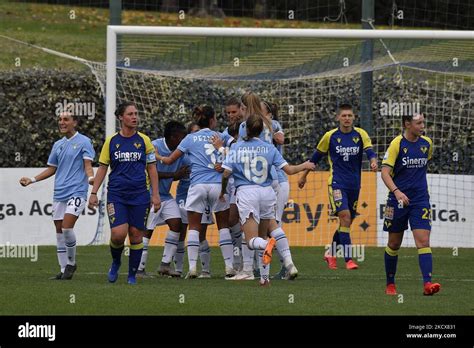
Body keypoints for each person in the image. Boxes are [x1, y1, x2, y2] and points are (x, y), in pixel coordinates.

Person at [220, 113, 315, 286]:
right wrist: (305, 165)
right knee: (264, 233)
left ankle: (267, 245)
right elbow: (290, 170)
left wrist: (222, 189)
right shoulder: (269, 148)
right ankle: (264, 279)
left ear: (246, 129)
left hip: (247, 192)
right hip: (267, 192)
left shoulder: (237, 148)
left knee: (251, 241)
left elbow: (226, 173)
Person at [156, 105, 235, 279]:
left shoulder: (190, 139)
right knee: (223, 227)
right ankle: (229, 267)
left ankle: (192, 268)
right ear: (212, 119)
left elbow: (169, 160)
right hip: (217, 185)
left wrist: (159, 157)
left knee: (193, 227)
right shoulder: (221, 136)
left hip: (197, 186)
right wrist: (222, 150)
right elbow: (239, 150)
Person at [88, 102, 160, 285]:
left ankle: (132, 275)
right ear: (121, 117)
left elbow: (152, 169)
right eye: (130, 114)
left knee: (136, 234)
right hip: (116, 195)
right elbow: (103, 168)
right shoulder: (111, 142)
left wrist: (156, 194)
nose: (134, 117)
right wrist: (94, 192)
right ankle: (116, 261)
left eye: (136, 113)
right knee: (119, 234)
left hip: (140, 195)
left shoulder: (144, 140)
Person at [298, 103, 378, 270]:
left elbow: (370, 151)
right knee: (345, 217)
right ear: (338, 118)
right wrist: (304, 175)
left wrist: (373, 161)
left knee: (345, 222)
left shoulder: (361, 134)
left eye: (349, 116)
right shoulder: (330, 136)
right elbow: (315, 158)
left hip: (355, 185)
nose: (347, 119)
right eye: (344, 116)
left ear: (354, 117)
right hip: (336, 183)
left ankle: (330, 254)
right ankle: (349, 259)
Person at [20, 112, 95, 280]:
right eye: (60, 119)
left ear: (74, 122)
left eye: (66, 119)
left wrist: (91, 178)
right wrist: (31, 180)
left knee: (67, 227)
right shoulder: (57, 145)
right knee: (59, 231)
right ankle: (63, 270)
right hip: (59, 192)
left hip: (77, 191)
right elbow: (52, 168)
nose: (62, 122)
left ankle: (71, 263)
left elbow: (88, 165)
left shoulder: (84, 141)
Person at [234, 91, 299, 281]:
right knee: (271, 225)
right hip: (273, 180)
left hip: (253, 181)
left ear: (244, 108)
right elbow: (279, 142)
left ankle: (248, 269)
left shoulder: (246, 126)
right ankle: (284, 265)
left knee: (251, 229)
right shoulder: (271, 123)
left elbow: (240, 152)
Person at [381, 113, 441, 296]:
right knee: (394, 243)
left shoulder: (427, 144)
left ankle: (427, 284)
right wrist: (397, 192)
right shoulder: (396, 144)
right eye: (419, 123)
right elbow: (384, 172)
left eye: (423, 122)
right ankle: (390, 284)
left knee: (423, 241)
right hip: (397, 201)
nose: (423, 126)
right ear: (407, 124)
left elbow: (422, 167)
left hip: (420, 200)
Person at [137, 121, 188, 278]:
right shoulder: (154, 146)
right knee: (147, 230)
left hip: (165, 195)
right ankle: (139, 269)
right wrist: (174, 175)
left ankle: (165, 265)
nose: (183, 141)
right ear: (172, 137)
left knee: (176, 224)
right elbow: (150, 172)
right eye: (181, 138)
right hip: (150, 194)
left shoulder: (180, 152)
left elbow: (180, 171)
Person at [173, 122, 215, 278]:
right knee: (181, 231)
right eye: (195, 133)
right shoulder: (184, 155)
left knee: (201, 233)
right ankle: (177, 269)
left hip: (201, 195)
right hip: (184, 195)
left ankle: (205, 270)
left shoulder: (208, 154)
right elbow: (173, 170)